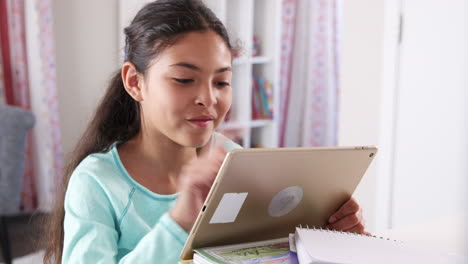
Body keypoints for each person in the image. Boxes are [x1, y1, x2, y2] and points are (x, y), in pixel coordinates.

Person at [43, 0, 367, 263]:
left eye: (222, 82)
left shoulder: (236, 162)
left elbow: (262, 251)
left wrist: (328, 235)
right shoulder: (97, 183)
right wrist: (179, 222)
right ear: (134, 82)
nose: (209, 99)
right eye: (184, 80)